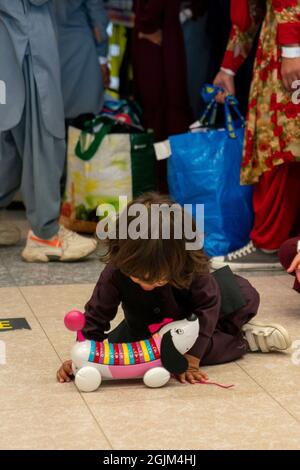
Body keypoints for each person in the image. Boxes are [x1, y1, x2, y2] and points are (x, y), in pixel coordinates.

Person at [57, 193, 291, 384]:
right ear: (121, 254)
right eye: (137, 278)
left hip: (196, 322)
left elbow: (207, 305)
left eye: (158, 280)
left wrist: (194, 355)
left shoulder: (190, 265)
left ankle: (244, 339)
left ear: (180, 259)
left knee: (243, 295)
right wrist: (82, 359)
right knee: (128, 353)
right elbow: (96, 317)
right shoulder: (116, 271)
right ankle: (232, 338)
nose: (147, 284)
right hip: (147, 329)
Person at [0, 0, 97, 262]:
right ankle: (46, 234)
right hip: (25, 41)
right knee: (41, 130)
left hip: (9, 39)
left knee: (7, 135)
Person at [212, 0, 300, 271]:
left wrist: (292, 49)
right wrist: (228, 67)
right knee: (281, 138)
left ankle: (272, 242)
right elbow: (252, 10)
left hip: (290, 46)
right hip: (281, 41)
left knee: (281, 140)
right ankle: (282, 242)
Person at [132, 0, 192, 192]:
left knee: (164, 117)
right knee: (162, 117)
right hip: (158, 49)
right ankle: (163, 182)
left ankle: (164, 181)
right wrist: (146, 28)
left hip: (160, 42)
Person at [54, 0, 110, 122]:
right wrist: (102, 59)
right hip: (81, 54)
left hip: (50, 48)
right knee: (83, 122)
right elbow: (98, 22)